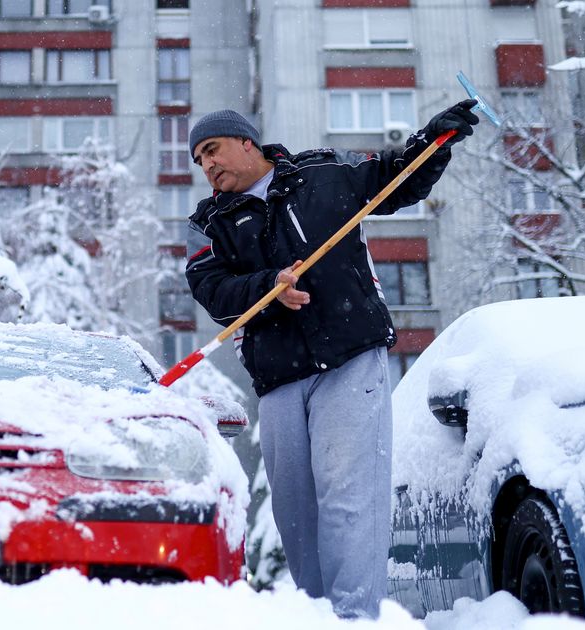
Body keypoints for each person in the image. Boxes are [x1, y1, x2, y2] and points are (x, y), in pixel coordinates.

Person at [183, 102, 478, 618]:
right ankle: (312, 617)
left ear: (246, 143)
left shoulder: (322, 171)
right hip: (278, 377)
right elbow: (211, 290)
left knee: (350, 495)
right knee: (295, 512)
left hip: (348, 357)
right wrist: (268, 288)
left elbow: (395, 177)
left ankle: (354, 618)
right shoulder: (208, 223)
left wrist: (435, 139)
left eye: (212, 150)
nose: (207, 165)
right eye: (199, 159)